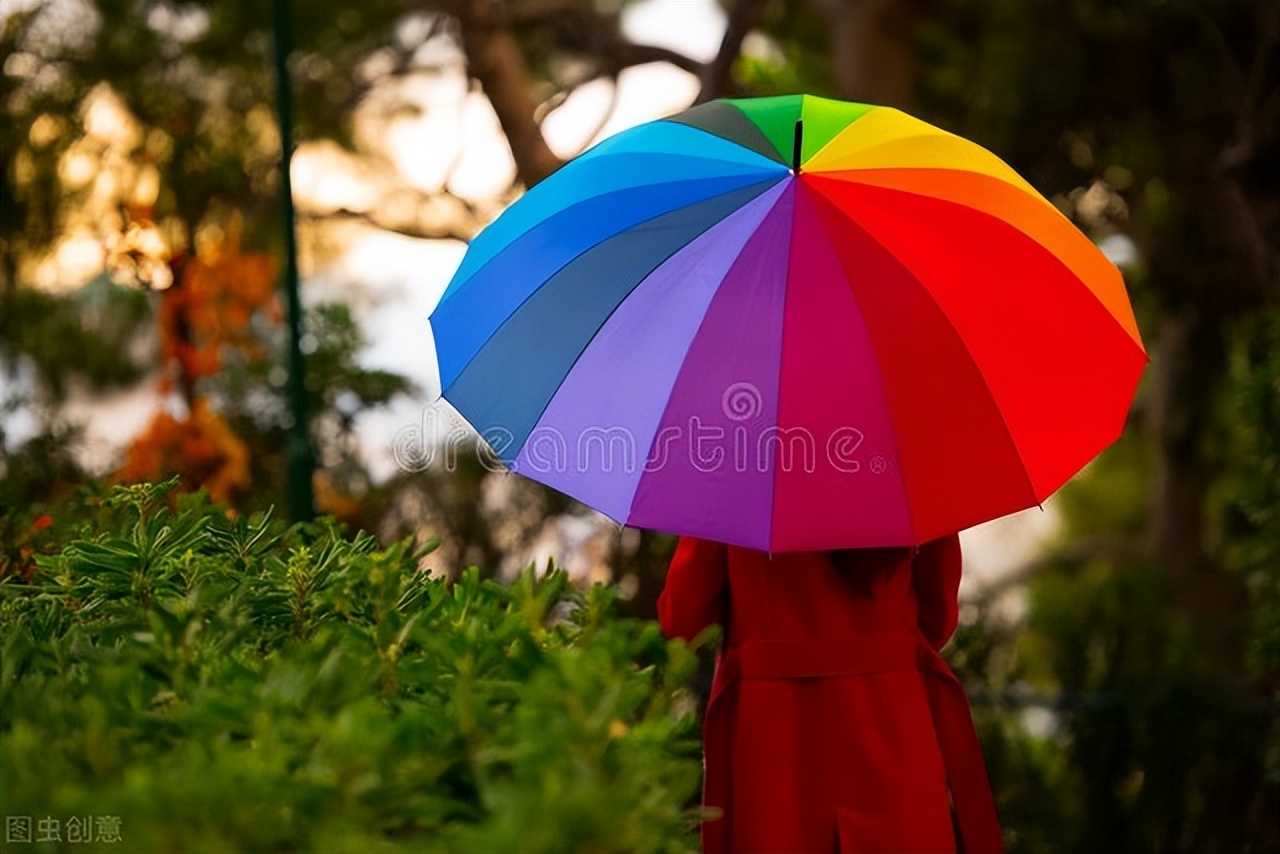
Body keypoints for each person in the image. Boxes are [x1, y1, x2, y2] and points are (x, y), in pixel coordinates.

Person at [657, 534, 1003, 854]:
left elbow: (683, 619)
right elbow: (938, 618)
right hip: (892, 720)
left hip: (776, 745)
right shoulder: (907, 470)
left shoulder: (739, 474)